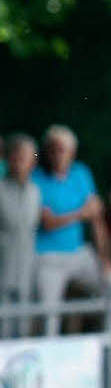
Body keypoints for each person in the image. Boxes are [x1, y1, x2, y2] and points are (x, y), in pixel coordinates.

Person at [33, 125, 111, 363]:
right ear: (46, 152)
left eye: (63, 150)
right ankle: (47, 366)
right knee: (49, 315)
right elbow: (47, 222)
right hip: (47, 257)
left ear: (72, 152)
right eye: (54, 149)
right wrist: (80, 213)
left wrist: (105, 259)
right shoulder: (37, 178)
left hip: (80, 254)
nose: (58, 155)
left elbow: (97, 219)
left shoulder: (81, 173)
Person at [0, 134, 41, 338]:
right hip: (3, 270)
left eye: (23, 157)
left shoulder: (36, 191)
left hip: (26, 270)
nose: (18, 162)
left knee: (23, 331)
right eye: (15, 157)